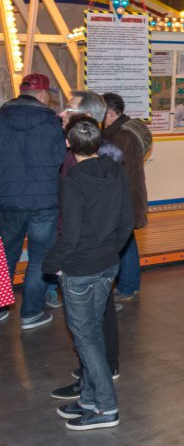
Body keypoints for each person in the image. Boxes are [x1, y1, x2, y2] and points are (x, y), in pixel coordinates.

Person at [43, 116, 133, 431]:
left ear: (69, 143)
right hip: (108, 263)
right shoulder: (116, 170)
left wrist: (50, 263)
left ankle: (106, 408)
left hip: (80, 268)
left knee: (86, 339)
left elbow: (70, 235)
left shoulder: (73, 180)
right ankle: (89, 399)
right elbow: (127, 220)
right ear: (98, 142)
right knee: (92, 333)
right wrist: (111, 249)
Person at [0, 73, 66, 328]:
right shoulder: (51, 122)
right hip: (44, 201)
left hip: (7, 200)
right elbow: (59, 158)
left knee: (5, 254)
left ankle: (2, 307)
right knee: (40, 257)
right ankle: (31, 313)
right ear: (42, 95)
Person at [101, 92, 148, 303]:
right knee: (128, 240)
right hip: (130, 195)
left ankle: (127, 286)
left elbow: (115, 172)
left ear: (109, 112)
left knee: (125, 242)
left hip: (123, 197)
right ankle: (130, 284)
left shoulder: (119, 137)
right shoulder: (126, 130)